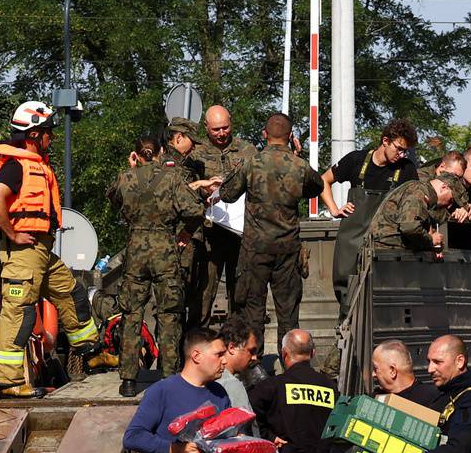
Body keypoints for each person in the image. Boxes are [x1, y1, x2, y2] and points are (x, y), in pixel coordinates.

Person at [0, 101, 99, 397]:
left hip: (41, 250)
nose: (52, 136)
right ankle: (9, 382)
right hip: (23, 252)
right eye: (48, 131)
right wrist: (13, 232)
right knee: (19, 312)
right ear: (33, 134)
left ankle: (91, 353)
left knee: (71, 293)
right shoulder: (15, 167)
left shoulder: (36, 165)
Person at [113, 119, 217, 397]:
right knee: (169, 314)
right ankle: (169, 375)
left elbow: (114, 201)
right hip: (165, 251)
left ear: (136, 154)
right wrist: (184, 232)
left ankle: (128, 379)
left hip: (135, 252)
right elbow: (194, 211)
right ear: (160, 152)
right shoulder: (172, 179)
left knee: (131, 313)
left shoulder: (125, 178)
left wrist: (131, 169)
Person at [236, 112, 324, 355]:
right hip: (287, 250)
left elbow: (228, 192)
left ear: (265, 135)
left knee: (253, 309)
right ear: (291, 137)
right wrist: (299, 156)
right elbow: (316, 187)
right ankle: (291, 364)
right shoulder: (299, 166)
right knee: (288, 312)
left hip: (255, 249)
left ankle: (253, 366)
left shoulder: (251, 163)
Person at [324, 118, 420, 287]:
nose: (402, 155)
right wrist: (334, 210)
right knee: (346, 291)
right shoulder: (355, 160)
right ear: (385, 141)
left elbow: (418, 203)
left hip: (386, 245)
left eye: (405, 151)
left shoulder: (407, 169)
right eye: (399, 149)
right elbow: (323, 181)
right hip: (351, 243)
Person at [189, 105, 257, 326]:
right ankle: (200, 345)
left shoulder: (247, 150)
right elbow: (182, 187)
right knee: (204, 292)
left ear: (232, 123)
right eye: (215, 129)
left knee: (241, 293)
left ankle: (239, 346)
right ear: (206, 128)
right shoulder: (195, 153)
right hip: (209, 233)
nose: (221, 134)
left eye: (225, 128)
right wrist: (204, 189)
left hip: (239, 232)